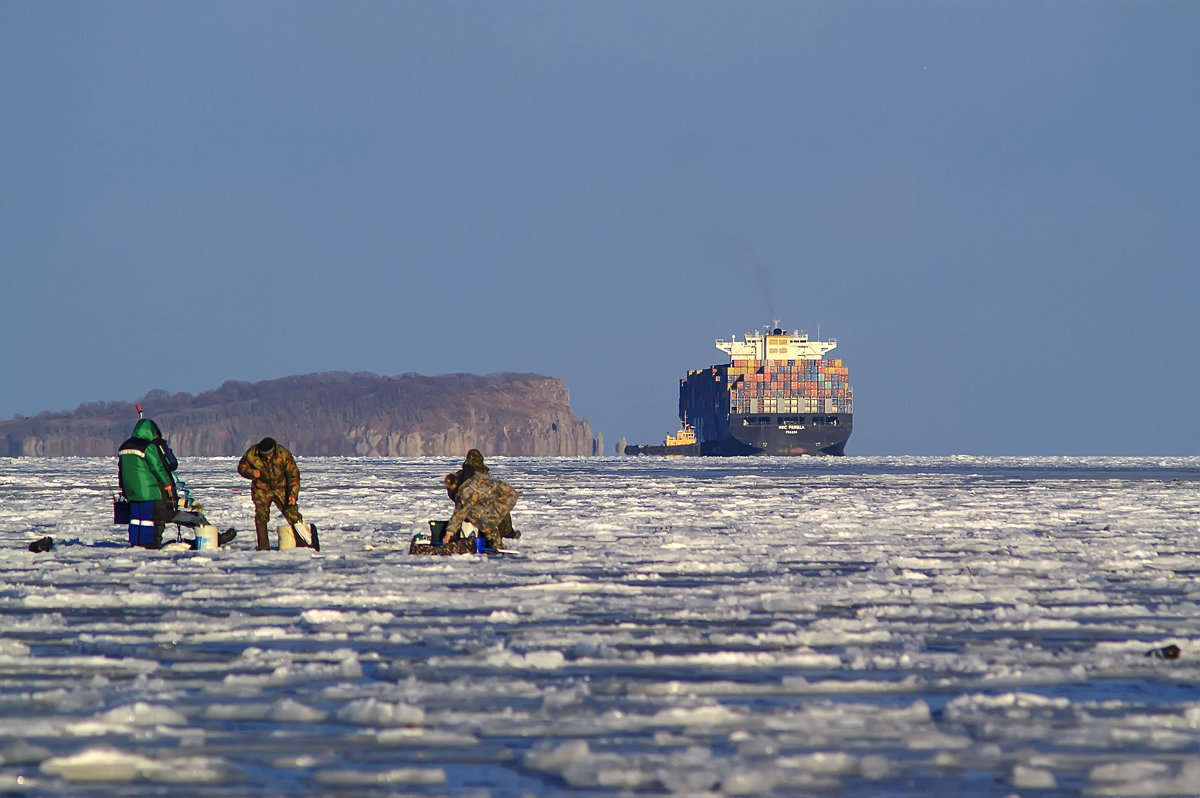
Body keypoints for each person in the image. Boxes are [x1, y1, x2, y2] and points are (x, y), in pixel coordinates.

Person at [117, 418, 177, 548]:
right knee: (147, 518)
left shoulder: (124, 446)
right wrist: (166, 483)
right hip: (147, 490)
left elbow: (121, 470)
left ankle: (135, 542)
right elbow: (158, 467)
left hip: (131, 490)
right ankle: (147, 543)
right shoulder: (148, 447)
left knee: (134, 518)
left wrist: (123, 487)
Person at [238, 437, 305, 551]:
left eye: (270, 455)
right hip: (261, 489)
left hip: (281, 487)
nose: (268, 457)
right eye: (265, 455)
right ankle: (263, 546)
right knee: (261, 516)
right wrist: (251, 473)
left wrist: (293, 494)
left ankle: (303, 542)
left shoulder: (283, 454)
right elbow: (241, 467)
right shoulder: (252, 454)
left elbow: (293, 475)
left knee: (292, 513)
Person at [443, 449, 519, 549]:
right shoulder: (480, 473)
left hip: (497, 504)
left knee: (480, 519)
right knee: (483, 519)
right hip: (502, 500)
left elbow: (461, 511)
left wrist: (449, 533)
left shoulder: (465, 488)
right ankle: (501, 540)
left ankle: (497, 546)